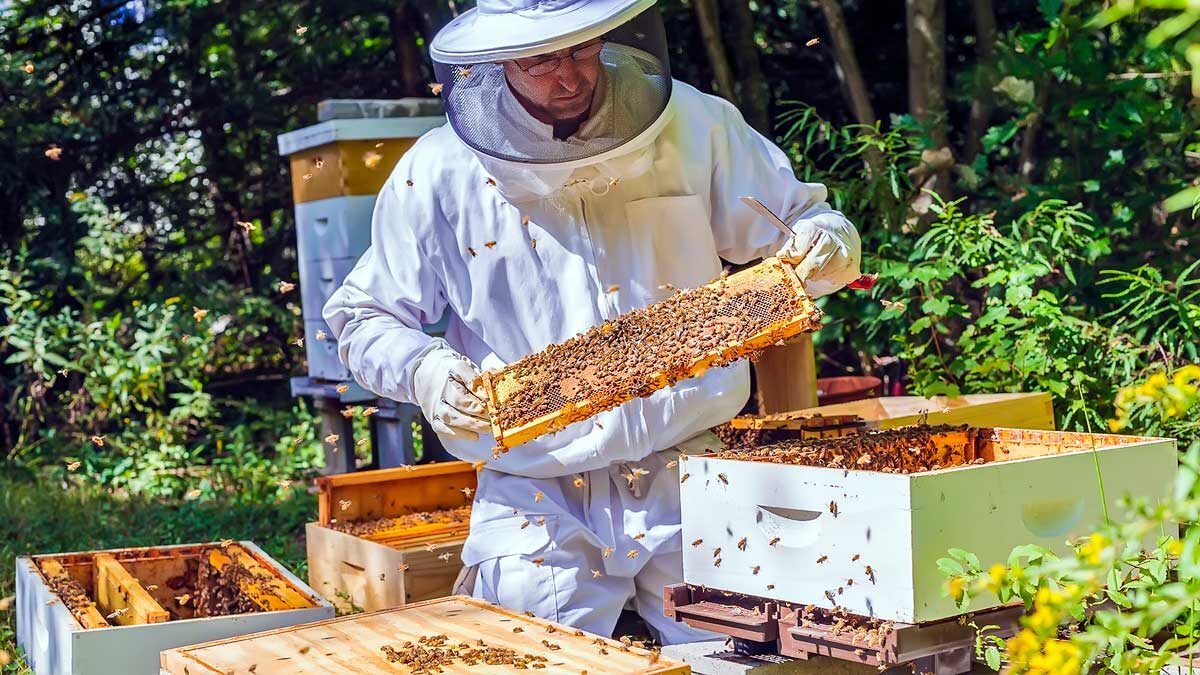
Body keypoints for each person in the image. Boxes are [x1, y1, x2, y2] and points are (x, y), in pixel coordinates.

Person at [323, 0, 861, 645]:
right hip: (537, 495)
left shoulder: (694, 122)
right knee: (539, 659)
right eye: (541, 60)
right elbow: (363, 316)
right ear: (496, 60)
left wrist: (826, 239)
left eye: (582, 47)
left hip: (693, 470)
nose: (570, 76)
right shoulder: (439, 170)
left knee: (738, 659)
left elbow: (799, 218)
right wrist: (424, 368)